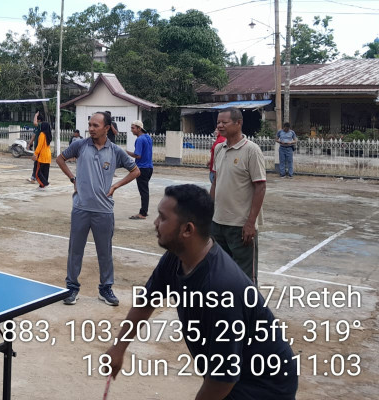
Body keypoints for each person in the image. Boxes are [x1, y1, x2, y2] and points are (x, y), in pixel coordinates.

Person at [104, 184, 297, 399]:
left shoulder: (221, 289)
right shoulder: (176, 257)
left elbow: (222, 380)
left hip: (264, 387)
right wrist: (119, 347)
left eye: (163, 218)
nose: (155, 223)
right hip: (236, 375)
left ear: (188, 230)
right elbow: (147, 302)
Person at [55, 112, 140, 306]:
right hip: (81, 208)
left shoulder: (116, 151)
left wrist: (115, 186)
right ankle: (72, 288)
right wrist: (73, 179)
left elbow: (136, 171)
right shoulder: (80, 145)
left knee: (105, 252)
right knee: (75, 250)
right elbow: (60, 159)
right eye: (90, 125)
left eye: (95, 125)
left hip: (104, 211)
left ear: (107, 128)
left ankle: (105, 288)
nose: (91, 129)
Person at [211, 108, 266, 285]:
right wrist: (208, 213)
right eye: (218, 122)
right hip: (218, 223)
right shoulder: (219, 148)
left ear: (238, 123)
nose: (220, 126)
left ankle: (248, 304)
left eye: (224, 122)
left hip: (240, 226)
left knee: (245, 279)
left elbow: (260, 187)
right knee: (221, 274)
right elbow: (216, 182)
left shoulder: (251, 150)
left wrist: (250, 223)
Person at [127, 120, 153, 219]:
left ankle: (143, 213)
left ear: (139, 128)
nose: (131, 130)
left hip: (142, 168)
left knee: (143, 191)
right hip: (149, 167)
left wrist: (125, 152)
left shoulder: (139, 139)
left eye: (133, 128)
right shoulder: (148, 137)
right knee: (145, 190)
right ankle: (144, 210)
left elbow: (137, 155)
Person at [33, 117, 52, 189]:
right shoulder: (48, 135)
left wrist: (35, 153)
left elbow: (39, 145)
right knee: (45, 172)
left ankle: (45, 184)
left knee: (38, 173)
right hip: (48, 155)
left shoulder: (42, 134)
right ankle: (42, 186)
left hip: (42, 155)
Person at [27, 110, 42, 183]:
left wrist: (36, 115)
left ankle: (35, 178)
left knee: (38, 163)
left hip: (40, 148)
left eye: (36, 119)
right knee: (37, 163)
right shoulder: (37, 128)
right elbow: (33, 136)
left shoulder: (41, 126)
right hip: (37, 148)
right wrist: (29, 144)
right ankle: (35, 178)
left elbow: (35, 123)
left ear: (39, 120)